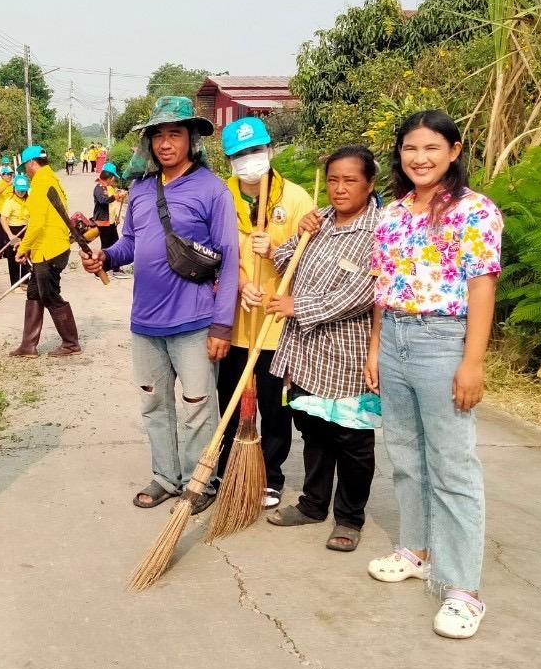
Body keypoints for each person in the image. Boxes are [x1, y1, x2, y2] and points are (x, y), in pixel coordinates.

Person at [364, 110, 503, 640]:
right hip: (395, 336)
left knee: (452, 465)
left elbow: (482, 290)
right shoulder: (394, 213)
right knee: (404, 454)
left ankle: (463, 590)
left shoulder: (473, 211)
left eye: (430, 148)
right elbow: (383, 284)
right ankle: (417, 550)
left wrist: (472, 362)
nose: (419, 158)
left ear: (454, 150)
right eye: (409, 149)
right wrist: (376, 347)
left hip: (443, 340)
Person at [80, 96, 238, 514]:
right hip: (145, 321)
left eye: (175, 134)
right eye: (159, 135)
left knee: (198, 407)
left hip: (196, 320)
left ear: (191, 140)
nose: (166, 143)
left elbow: (231, 256)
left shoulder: (212, 190)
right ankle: (166, 476)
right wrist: (105, 257)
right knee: (154, 403)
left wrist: (223, 325)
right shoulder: (141, 188)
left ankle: (200, 480)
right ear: (149, 143)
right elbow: (131, 242)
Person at [265, 145, 380, 553]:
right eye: (333, 180)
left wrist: (300, 305)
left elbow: (365, 292)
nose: (339, 188)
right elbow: (284, 263)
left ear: (370, 183)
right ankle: (313, 504)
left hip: (348, 354)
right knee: (313, 431)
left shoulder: (379, 231)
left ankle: (349, 517)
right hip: (306, 350)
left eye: (350, 180)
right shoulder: (321, 221)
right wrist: (300, 234)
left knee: (351, 438)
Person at [216, 116, 313, 508]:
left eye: (255, 150)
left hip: (276, 324)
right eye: (240, 154)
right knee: (229, 399)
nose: (249, 159)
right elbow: (209, 254)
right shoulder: (221, 198)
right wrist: (240, 285)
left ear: (270, 149)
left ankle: (271, 474)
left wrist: (274, 252)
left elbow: (312, 259)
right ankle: (227, 467)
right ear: (228, 160)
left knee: (275, 406)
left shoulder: (295, 199)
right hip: (235, 322)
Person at [11, 145, 82, 357]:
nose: (26, 172)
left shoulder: (41, 183)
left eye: (26, 167)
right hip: (52, 247)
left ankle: (71, 343)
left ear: (32, 163)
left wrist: (23, 248)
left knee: (50, 295)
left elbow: (37, 224)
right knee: (34, 293)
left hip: (49, 250)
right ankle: (28, 346)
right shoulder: (52, 179)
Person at [0, 174, 31, 287]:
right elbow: (3, 219)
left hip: (27, 229)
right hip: (13, 231)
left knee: (26, 255)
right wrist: (10, 235)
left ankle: (26, 282)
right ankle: (15, 284)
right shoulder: (10, 201)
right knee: (14, 258)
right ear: (14, 188)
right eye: (19, 190)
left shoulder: (30, 199)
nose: (21, 192)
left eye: (23, 190)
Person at [93, 162, 125, 251]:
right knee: (106, 245)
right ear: (111, 178)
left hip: (111, 221)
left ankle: (113, 263)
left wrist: (116, 218)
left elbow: (112, 204)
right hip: (103, 222)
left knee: (115, 243)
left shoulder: (109, 187)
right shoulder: (99, 188)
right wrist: (117, 196)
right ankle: (106, 264)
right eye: (114, 178)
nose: (114, 180)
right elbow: (103, 200)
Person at [0, 164, 15, 263]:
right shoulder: (1, 183)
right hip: (0, 212)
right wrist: (7, 185)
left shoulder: (12, 184)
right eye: (7, 174)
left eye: (11, 174)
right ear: (2, 175)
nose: (9, 176)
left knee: (7, 232)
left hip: (9, 213)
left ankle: (6, 252)